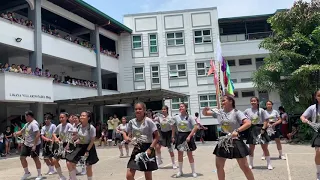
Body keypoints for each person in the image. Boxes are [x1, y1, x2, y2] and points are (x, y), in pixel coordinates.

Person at [202, 95, 254, 180]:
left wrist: (237, 131)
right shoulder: (219, 112)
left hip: (235, 139)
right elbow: (205, 114)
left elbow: (248, 123)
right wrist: (205, 110)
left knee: (244, 166)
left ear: (231, 101)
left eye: (224, 101)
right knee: (219, 166)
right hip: (223, 139)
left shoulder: (236, 112)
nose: (222, 102)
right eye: (221, 101)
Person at [123, 102, 159, 180]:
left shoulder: (149, 121)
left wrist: (150, 149)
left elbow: (157, 136)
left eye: (140, 109)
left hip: (148, 148)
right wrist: (126, 137)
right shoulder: (132, 122)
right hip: (137, 148)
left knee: (148, 176)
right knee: (129, 176)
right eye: (136, 109)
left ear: (144, 110)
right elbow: (124, 132)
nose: (137, 111)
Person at [66, 111, 99, 180]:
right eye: (81, 115)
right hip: (80, 146)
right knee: (69, 162)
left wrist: (87, 150)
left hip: (89, 147)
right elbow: (78, 136)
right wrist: (72, 141)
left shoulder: (91, 128)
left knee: (88, 166)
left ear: (88, 118)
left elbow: (92, 140)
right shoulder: (78, 126)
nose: (81, 117)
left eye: (84, 116)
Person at [244, 97, 273, 170]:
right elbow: (243, 119)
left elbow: (266, 120)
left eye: (254, 101)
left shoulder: (262, 110)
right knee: (251, 148)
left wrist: (263, 128)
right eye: (251, 101)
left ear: (257, 102)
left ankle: (269, 164)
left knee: (264, 148)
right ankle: (251, 164)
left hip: (261, 128)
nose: (253, 102)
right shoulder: (247, 111)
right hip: (251, 129)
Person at [13, 111, 43, 180]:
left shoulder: (34, 124)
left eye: (26, 117)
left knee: (35, 159)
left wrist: (34, 145)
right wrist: (16, 133)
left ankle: (39, 174)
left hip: (34, 144)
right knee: (22, 157)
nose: (25, 118)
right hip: (27, 144)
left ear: (29, 116)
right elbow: (22, 132)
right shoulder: (27, 124)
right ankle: (27, 173)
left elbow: (38, 134)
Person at [172, 103, 198, 177]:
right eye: (179, 107)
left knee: (189, 154)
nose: (180, 108)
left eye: (182, 106)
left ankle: (193, 171)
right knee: (180, 154)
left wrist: (190, 136)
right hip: (180, 136)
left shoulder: (190, 117)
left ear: (186, 108)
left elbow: (196, 127)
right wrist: (173, 136)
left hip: (188, 135)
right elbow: (172, 126)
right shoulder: (176, 117)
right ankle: (180, 171)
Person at [300, 89, 320, 180]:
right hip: (317, 131)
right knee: (318, 152)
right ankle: (318, 172)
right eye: (319, 95)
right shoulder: (312, 107)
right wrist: (304, 119)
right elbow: (303, 116)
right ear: (316, 97)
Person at [52, 112, 74, 180]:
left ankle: (71, 177)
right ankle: (61, 176)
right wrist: (56, 139)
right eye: (60, 117)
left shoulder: (69, 125)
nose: (61, 119)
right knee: (54, 160)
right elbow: (54, 133)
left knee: (68, 163)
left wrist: (67, 145)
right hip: (61, 145)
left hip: (69, 145)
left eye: (62, 117)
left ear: (66, 118)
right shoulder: (59, 126)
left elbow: (72, 135)